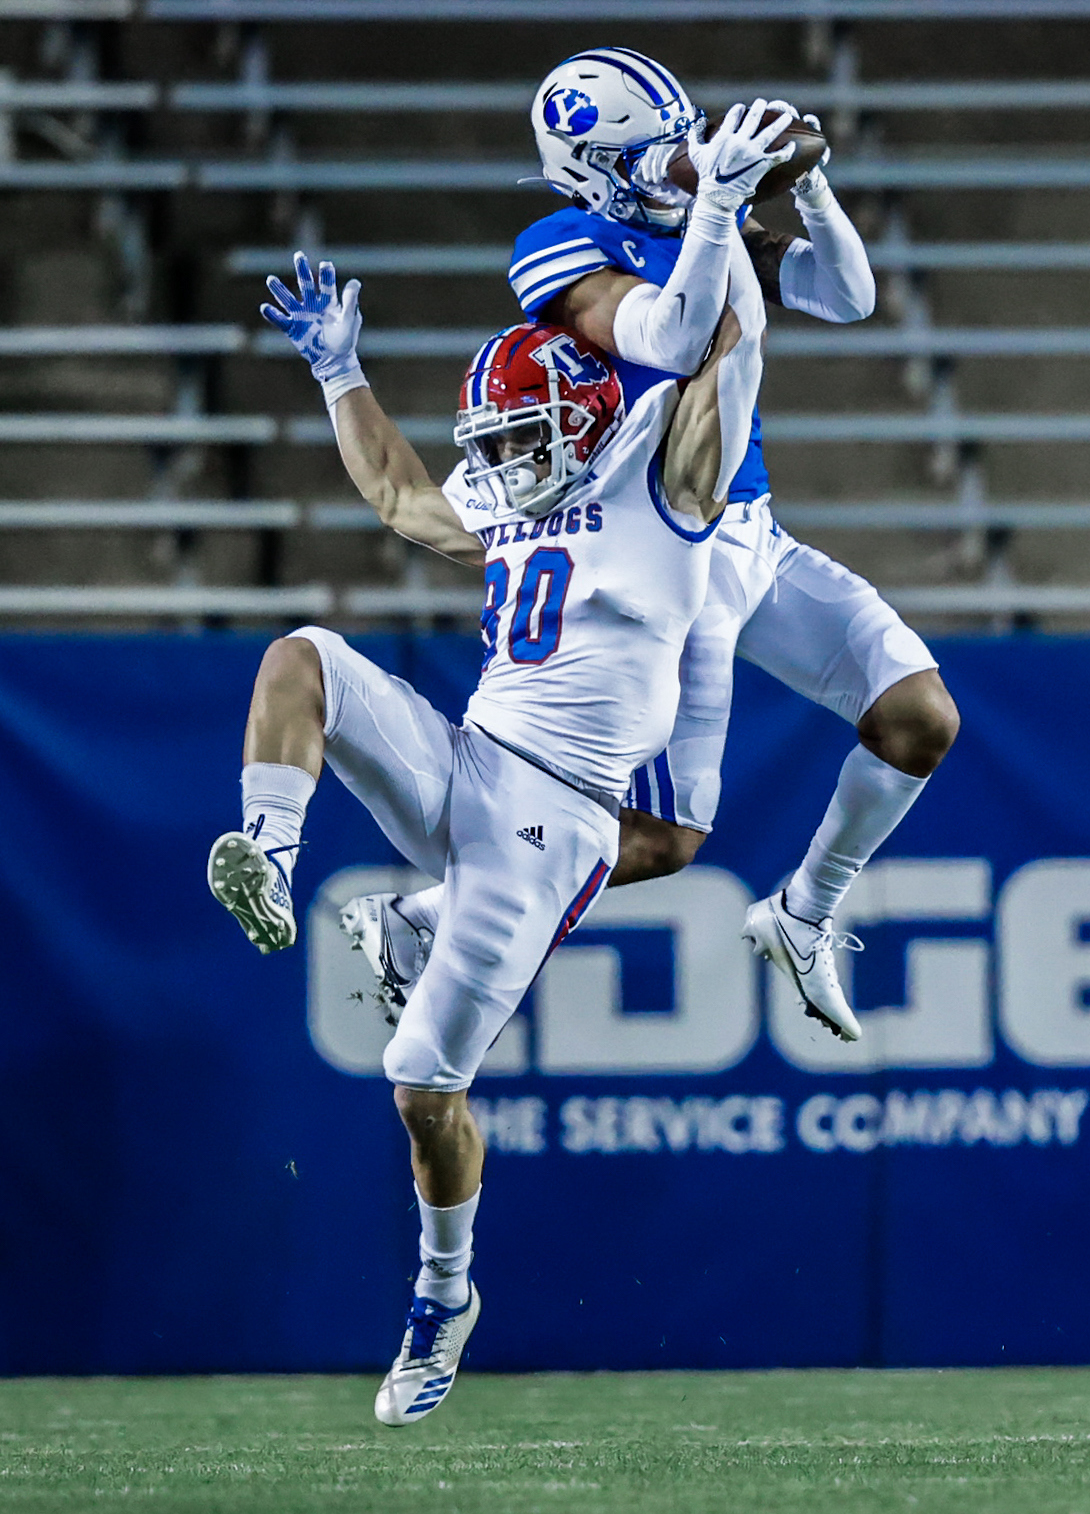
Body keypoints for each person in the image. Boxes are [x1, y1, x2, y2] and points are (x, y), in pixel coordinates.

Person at [207, 109, 774, 1424]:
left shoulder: (664, 488)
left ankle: (442, 1294)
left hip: (559, 821)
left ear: (582, 416)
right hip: (468, 760)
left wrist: (717, 215)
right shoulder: (525, 484)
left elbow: (720, 353)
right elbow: (405, 501)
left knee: (419, 1087)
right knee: (302, 655)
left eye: (520, 434)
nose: (500, 461)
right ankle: (276, 867)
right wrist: (340, 376)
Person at [348, 48, 959, 1047]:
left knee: (917, 719)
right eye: (647, 150)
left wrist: (808, 183)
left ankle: (801, 914)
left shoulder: (685, 208)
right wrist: (716, 209)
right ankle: (425, 922)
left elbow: (844, 296)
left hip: (750, 531)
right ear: (586, 163)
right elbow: (675, 341)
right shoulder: (563, 240)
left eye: (676, 139)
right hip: (663, 545)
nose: (671, 163)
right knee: (666, 838)